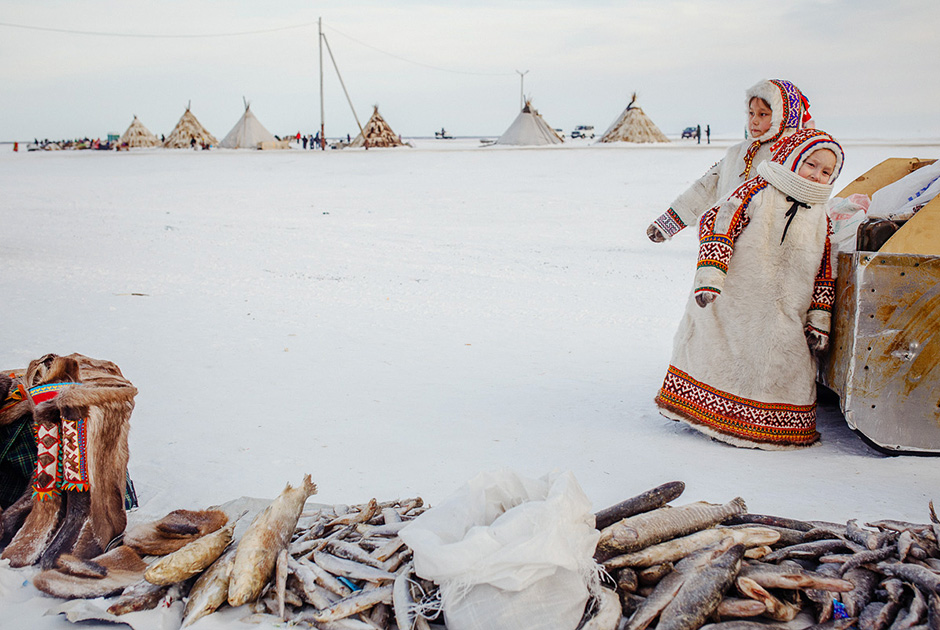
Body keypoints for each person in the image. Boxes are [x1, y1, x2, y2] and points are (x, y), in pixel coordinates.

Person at [654, 129, 844, 450]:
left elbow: (825, 269)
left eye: (826, 172)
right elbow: (718, 221)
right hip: (739, 297)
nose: (816, 175)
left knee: (784, 363)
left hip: (786, 309)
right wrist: (711, 276)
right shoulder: (759, 190)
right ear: (794, 158)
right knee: (721, 351)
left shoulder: (820, 217)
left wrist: (819, 319)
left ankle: (769, 427)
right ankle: (705, 413)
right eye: (811, 164)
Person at [648, 79, 812, 243]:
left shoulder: (794, 158)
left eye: (763, 114)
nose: (754, 120)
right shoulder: (738, 153)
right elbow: (707, 187)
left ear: (783, 116)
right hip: (727, 245)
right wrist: (667, 224)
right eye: (751, 113)